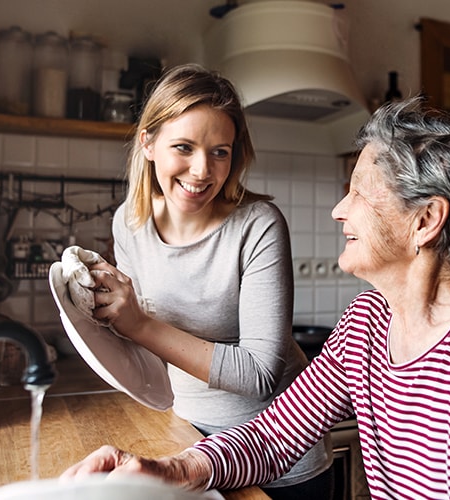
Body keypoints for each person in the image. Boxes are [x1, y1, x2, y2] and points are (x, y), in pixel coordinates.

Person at [63, 97, 450, 499]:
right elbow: (277, 431)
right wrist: (172, 469)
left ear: (425, 220)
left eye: (358, 192)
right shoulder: (369, 318)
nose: (339, 210)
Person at [79, 63, 333, 499]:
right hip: (188, 438)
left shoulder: (258, 226)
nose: (202, 171)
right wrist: (100, 310)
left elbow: (260, 374)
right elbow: (146, 349)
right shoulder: (129, 222)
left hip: (279, 458)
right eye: (184, 146)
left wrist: (137, 323)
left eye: (220, 151)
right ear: (149, 143)